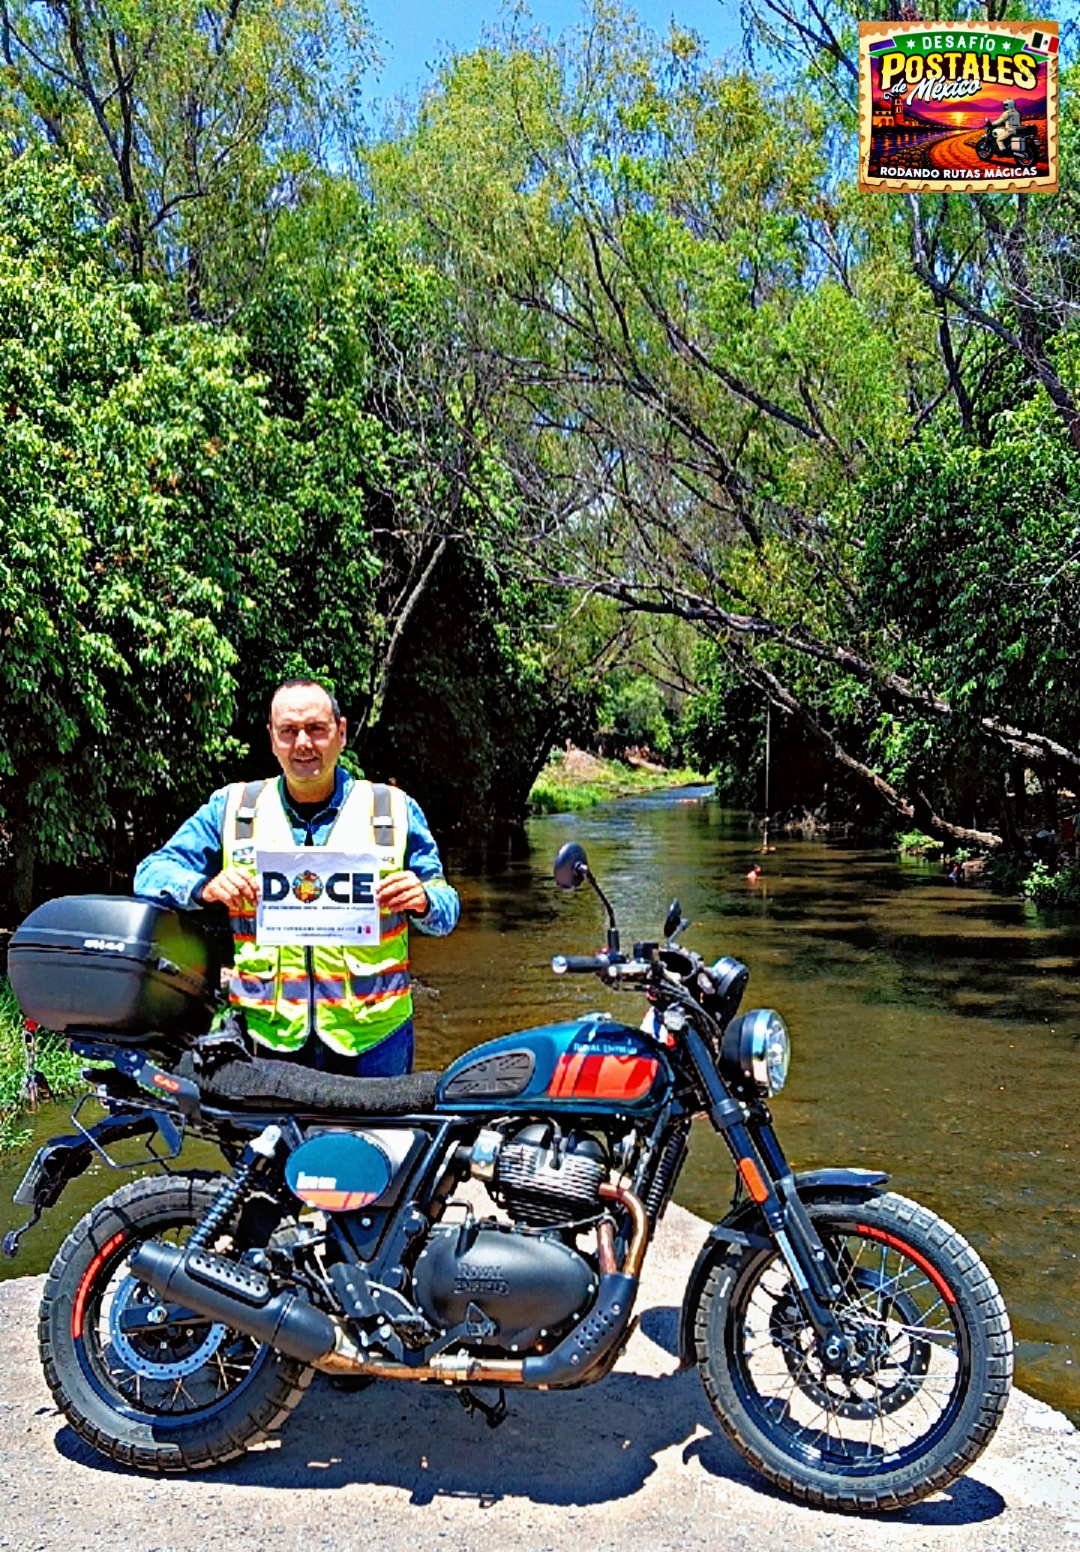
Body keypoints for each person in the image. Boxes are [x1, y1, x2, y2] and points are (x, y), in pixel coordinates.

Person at [134, 677, 459, 1076]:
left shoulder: (392, 809)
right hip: (269, 1036)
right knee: (277, 1142)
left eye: (316, 730)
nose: (303, 743)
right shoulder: (233, 808)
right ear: (272, 739)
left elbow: (447, 910)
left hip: (376, 1040)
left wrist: (424, 899)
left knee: (374, 1142)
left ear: (341, 733)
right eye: (288, 731)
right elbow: (150, 875)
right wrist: (204, 888)